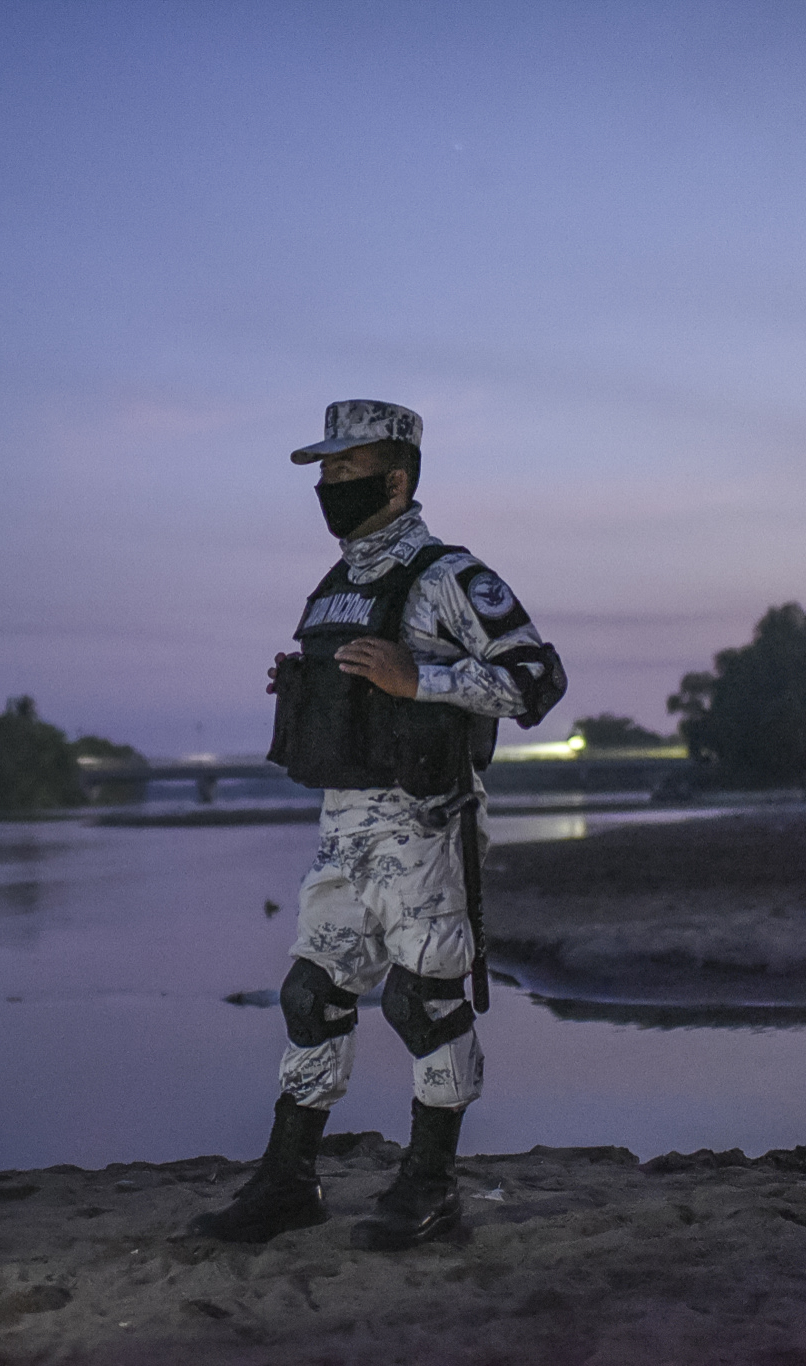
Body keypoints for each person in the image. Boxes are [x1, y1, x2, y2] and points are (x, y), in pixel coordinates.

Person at [186, 399, 565, 1250]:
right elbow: (352, 683)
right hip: (342, 827)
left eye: (342, 470)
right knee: (310, 994)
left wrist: (420, 682)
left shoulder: (448, 576)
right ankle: (289, 1183)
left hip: (426, 823)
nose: (326, 485)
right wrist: (306, 686)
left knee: (424, 1006)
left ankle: (429, 1189)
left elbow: (538, 680)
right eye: (322, 472)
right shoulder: (335, 587)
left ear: (395, 479)